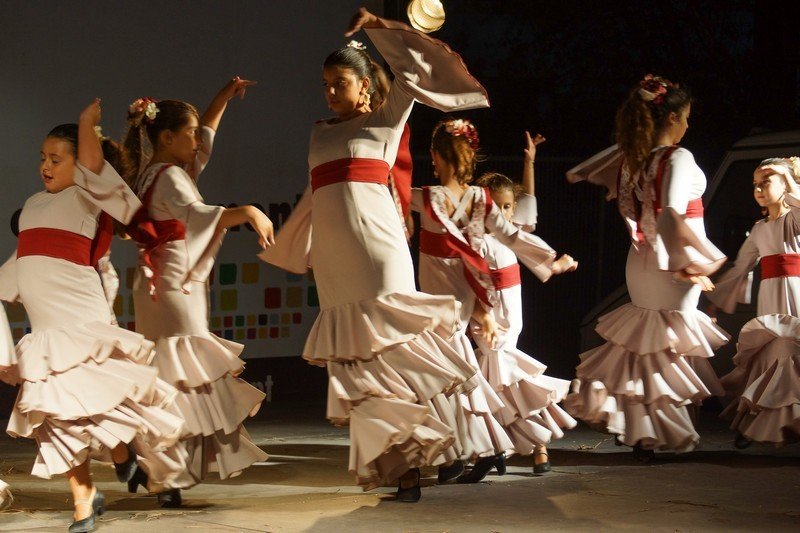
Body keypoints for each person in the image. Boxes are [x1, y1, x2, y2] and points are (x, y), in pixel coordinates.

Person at [260, 7, 490, 502]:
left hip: (378, 253)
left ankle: (419, 462)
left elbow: (414, 70)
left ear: (365, 85)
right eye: (325, 84)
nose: (329, 92)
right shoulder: (320, 132)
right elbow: (316, 200)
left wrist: (382, 28)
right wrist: (295, 247)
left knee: (394, 356)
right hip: (335, 263)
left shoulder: (387, 118)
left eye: (339, 83)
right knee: (360, 364)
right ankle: (410, 461)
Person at [0, 100, 187, 532]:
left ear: (80, 165)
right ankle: (85, 497)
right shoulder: (32, 204)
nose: (45, 166)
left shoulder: (88, 195)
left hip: (80, 317)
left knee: (94, 400)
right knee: (54, 413)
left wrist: (87, 125)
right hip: (47, 329)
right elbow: (23, 261)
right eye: (43, 158)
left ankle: (123, 454)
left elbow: (94, 165)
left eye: (56, 159)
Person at [123, 78, 272, 507]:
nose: (197, 141)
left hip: (157, 283)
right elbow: (200, 216)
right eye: (187, 134)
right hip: (173, 284)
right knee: (181, 377)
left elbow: (202, 138)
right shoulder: (171, 177)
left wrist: (222, 97)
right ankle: (164, 470)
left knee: (171, 374)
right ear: (167, 138)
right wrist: (248, 212)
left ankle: (160, 466)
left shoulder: (152, 171)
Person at [564, 74, 729, 460]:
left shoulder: (633, 159)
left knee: (645, 346)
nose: (687, 125)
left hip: (641, 258)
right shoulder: (676, 157)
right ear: (671, 118)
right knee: (664, 348)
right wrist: (691, 262)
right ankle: (650, 435)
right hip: (669, 260)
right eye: (685, 117)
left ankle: (638, 431)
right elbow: (669, 213)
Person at [410, 120, 577, 481]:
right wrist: (550, 261)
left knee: (462, 380)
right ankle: (472, 452)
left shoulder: (427, 197)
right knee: (466, 381)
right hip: (462, 311)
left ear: (435, 157)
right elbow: (514, 235)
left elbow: (382, 190)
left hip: (450, 310)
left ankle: (469, 452)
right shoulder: (478, 201)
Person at [471, 131, 578, 475]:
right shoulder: (475, 237)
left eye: (506, 207)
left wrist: (529, 161)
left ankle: (527, 445)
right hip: (485, 317)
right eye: (495, 206)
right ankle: (503, 448)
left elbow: (527, 201)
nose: (502, 212)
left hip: (509, 318)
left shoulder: (512, 233)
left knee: (506, 382)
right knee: (496, 383)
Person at [707, 157, 800, 447]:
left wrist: (789, 177)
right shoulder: (760, 228)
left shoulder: (793, 220)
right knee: (773, 352)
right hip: (771, 301)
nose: (758, 189)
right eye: (755, 184)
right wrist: (715, 302)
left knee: (791, 351)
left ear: (785, 185)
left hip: (796, 295)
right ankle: (759, 422)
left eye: (766, 182)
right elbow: (740, 268)